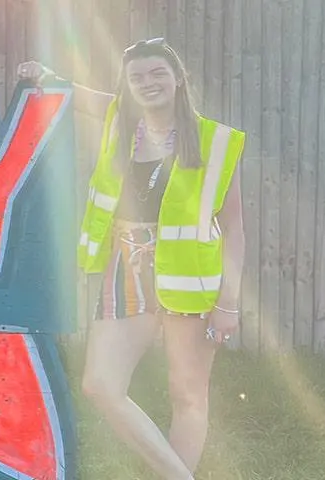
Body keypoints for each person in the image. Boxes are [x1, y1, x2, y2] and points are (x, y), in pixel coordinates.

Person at [20, 38, 247, 480]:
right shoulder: (118, 122)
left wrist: (229, 304)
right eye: (137, 77)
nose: (148, 83)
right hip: (126, 266)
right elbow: (73, 92)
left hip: (190, 277)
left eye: (158, 73)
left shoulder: (217, 141)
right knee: (100, 384)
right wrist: (43, 76)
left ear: (179, 79)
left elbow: (235, 228)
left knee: (188, 396)